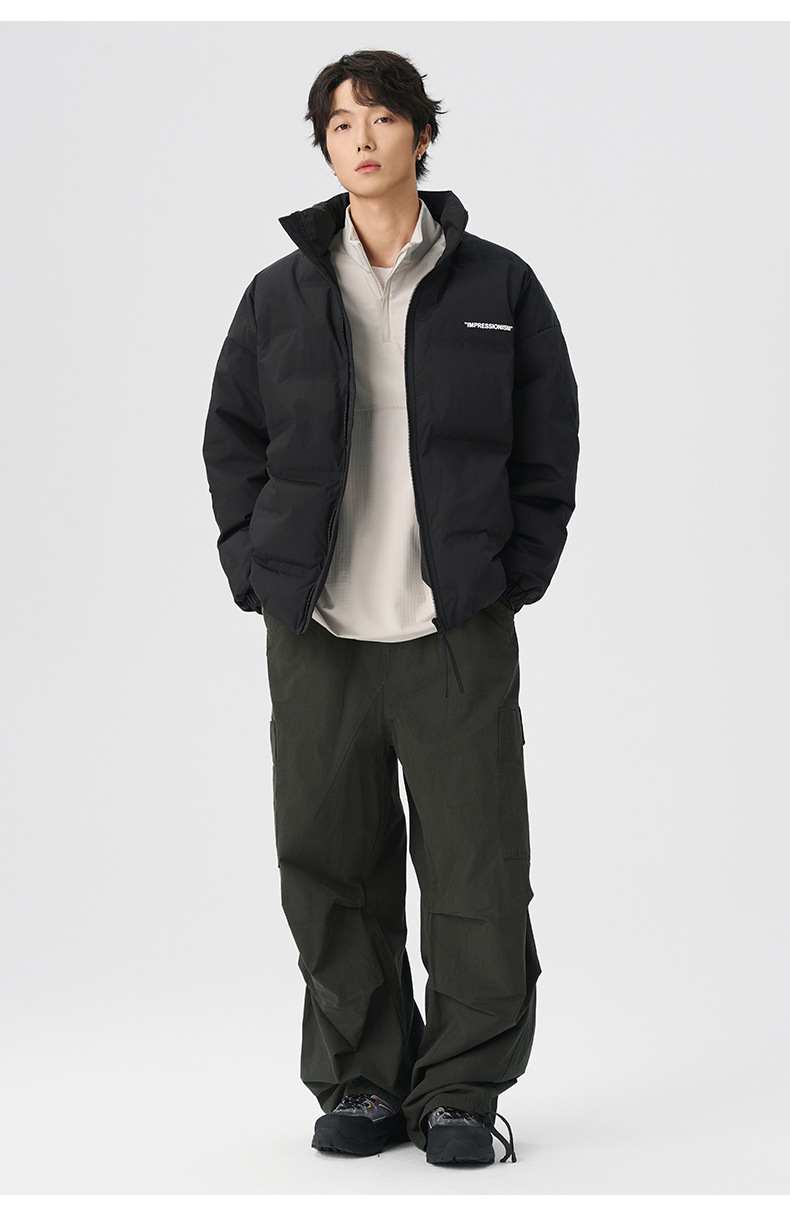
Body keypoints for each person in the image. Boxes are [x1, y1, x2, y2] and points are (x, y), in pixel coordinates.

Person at [202, 48, 580, 1166]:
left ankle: (460, 1088)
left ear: (422, 133)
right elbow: (233, 438)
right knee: (329, 866)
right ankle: (363, 1079)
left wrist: (511, 572)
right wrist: (256, 568)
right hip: (317, 631)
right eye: (338, 124)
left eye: (380, 118)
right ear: (324, 148)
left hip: (451, 627)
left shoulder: (496, 286)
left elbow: (547, 440)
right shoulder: (279, 294)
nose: (359, 139)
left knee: (476, 869)